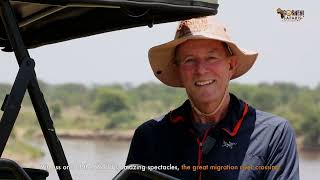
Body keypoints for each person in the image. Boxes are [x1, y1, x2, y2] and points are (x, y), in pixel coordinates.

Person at [125, 16, 299, 180]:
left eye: (211, 58)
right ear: (178, 69)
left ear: (231, 65)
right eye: (189, 60)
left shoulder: (273, 134)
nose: (201, 70)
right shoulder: (149, 136)